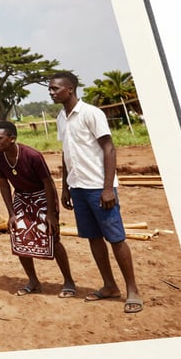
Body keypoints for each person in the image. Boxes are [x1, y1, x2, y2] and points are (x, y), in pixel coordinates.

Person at [50, 70, 143, 313]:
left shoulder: (91, 113)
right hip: (78, 187)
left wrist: (108, 188)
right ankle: (109, 285)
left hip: (98, 187)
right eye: (50, 88)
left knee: (116, 238)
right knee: (93, 237)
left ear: (70, 89)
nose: (51, 92)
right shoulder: (61, 118)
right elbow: (66, 152)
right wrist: (66, 187)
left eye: (55, 88)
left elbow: (109, 148)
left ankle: (132, 290)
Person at [0, 120, 77, 298]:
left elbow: (48, 183)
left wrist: (51, 214)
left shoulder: (32, 155)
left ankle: (69, 281)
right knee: (19, 235)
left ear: (12, 138)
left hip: (43, 196)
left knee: (52, 235)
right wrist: (11, 214)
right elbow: (3, 184)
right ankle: (33, 281)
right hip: (21, 197)